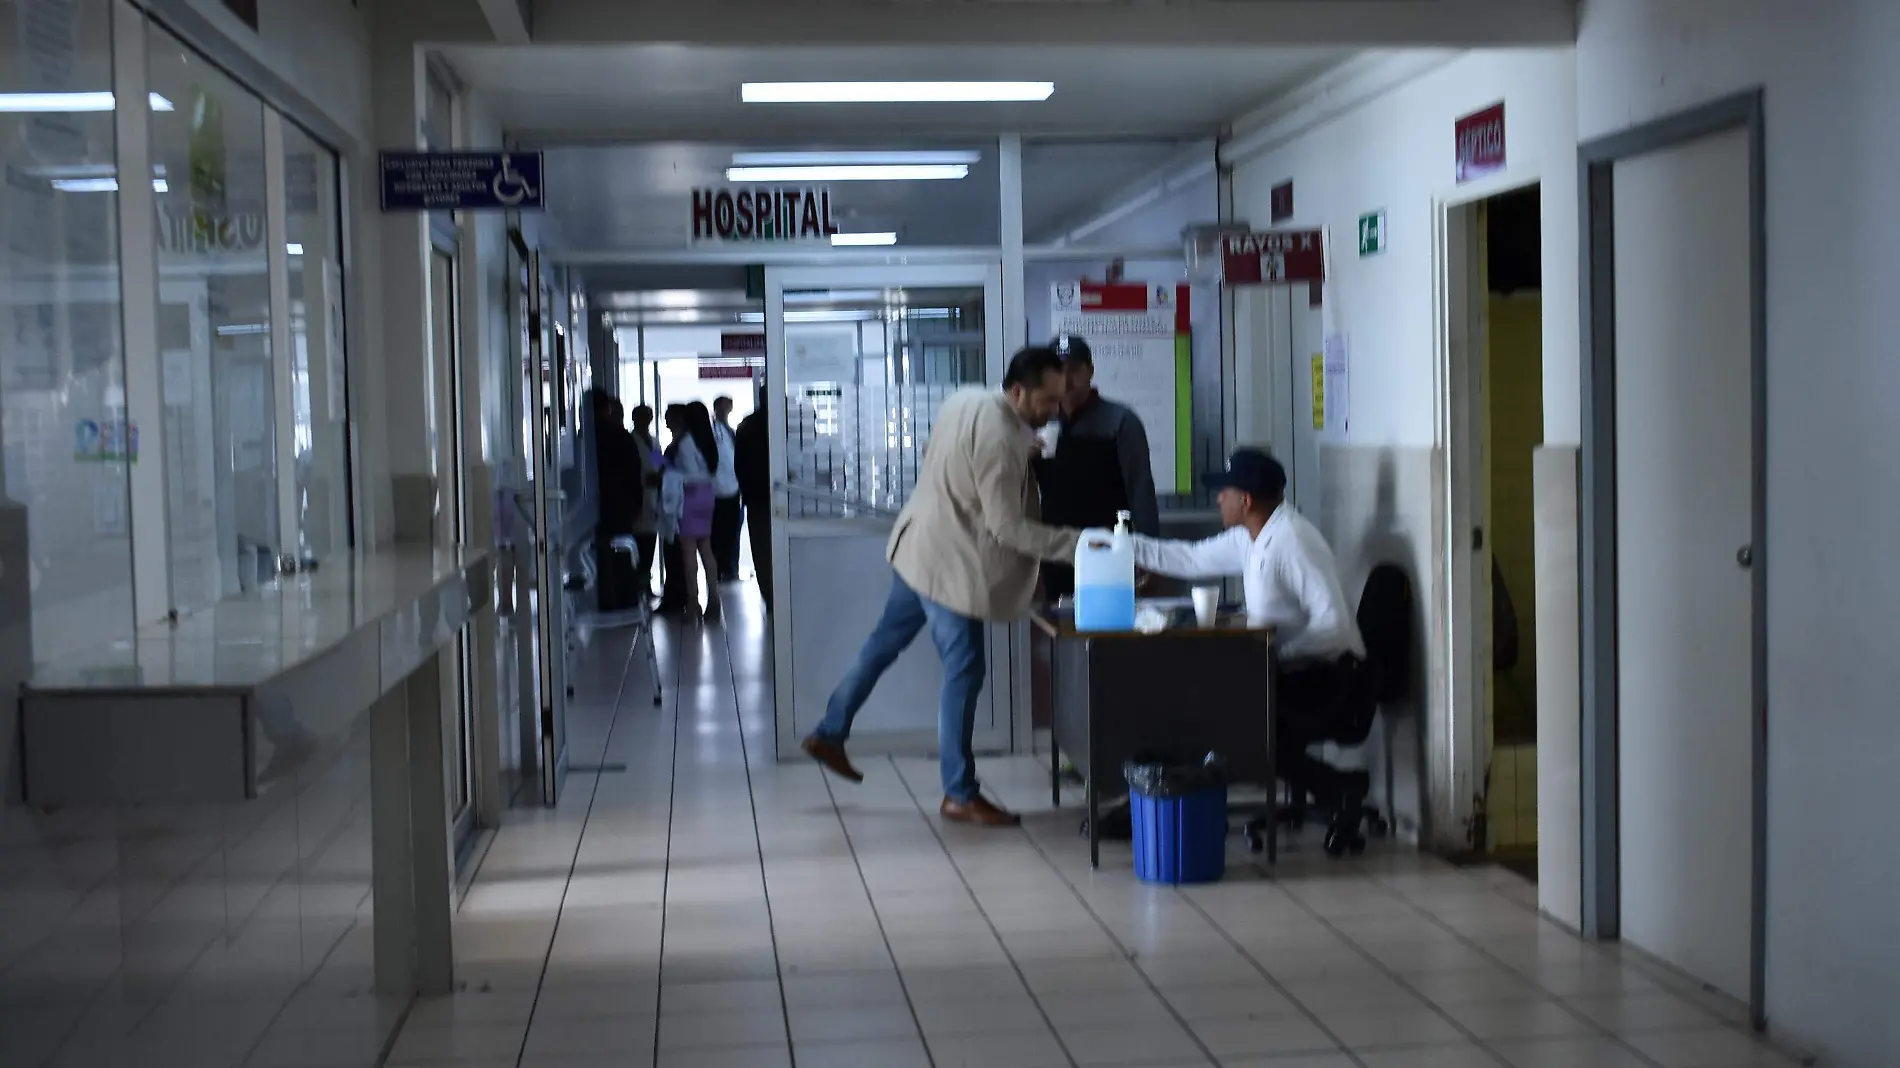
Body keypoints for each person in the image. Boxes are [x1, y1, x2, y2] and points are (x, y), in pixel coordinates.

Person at [801, 346, 1081, 827]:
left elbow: (966, 457)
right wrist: (1081, 545)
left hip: (918, 548)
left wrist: (1022, 444)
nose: (1055, 410)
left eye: (1059, 401)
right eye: (1047, 401)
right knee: (966, 669)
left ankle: (830, 731)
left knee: (882, 646)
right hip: (950, 564)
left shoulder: (968, 399)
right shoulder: (1003, 442)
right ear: (1017, 392)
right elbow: (1007, 527)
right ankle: (959, 792)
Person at [1121, 447, 1369, 814]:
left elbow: (1334, 625)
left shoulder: (1291, 541)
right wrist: (1123, 545)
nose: (1219, 498)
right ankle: (1333, 786)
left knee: (1231, 719)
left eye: (1226, 491)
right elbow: (1189, 558)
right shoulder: (1250, 537)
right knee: (1208, 704)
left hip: (1330, 676)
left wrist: (1275, 657)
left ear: (1247, 500)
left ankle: (1338, 786)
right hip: (1293, 670)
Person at [1033, 334, 1160, 599]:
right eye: (1058, 371)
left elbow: (1141, 490)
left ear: (1090, 371)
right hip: (1054, 553)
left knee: (1107, 633)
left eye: (1074, 371)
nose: (1066, 381)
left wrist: (1149, 554)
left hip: (1108, 552)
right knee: (1052, 633)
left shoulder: (1120, 422)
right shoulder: (1039, 423)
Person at [663, 402, 724, 623]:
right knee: (706, 548)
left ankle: (693, 602)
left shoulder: (686, 442)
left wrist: (668, 473)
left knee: (689, 551)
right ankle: (714, 598)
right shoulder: (708, 440)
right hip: (707, 497)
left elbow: (688, 475)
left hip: (689, 498)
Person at [733, 384, 772, 612]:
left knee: (761, 548)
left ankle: (768, 595)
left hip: (756, 498)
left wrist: (746, 491)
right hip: (785, 495)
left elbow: (740, 466)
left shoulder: (747, 426)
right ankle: (782, 594)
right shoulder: (790, 422)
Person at [654, 404, 693, 617]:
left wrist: (658, 466)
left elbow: (670, 471)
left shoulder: (681, 444)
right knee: (673, 552)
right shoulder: (675, 443)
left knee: (674, 552)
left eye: (669, 417)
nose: (666, 420)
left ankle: (676, 597)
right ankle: (677, 595)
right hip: (674, 505)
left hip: (677, 506)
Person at [628, 404, 661, 603]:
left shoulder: (654, 441)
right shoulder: (631, 441)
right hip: (639, 498)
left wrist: (660, 477)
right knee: (638, 546)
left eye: (648, 416)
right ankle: (636, 587)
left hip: (653, 498)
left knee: (650, 545)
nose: (646, 420)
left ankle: (646, 584)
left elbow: (660, 465)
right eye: (642, 416)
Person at [710, 395, 744, 582]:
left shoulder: (730, 431)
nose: (725, 411)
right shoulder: (713, 431)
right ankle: (720, 569)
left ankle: (730, 569)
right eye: (722, 408)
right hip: (717, 492)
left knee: (731, 533)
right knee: (718, 534)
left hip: (733, 490)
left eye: (727, 407)